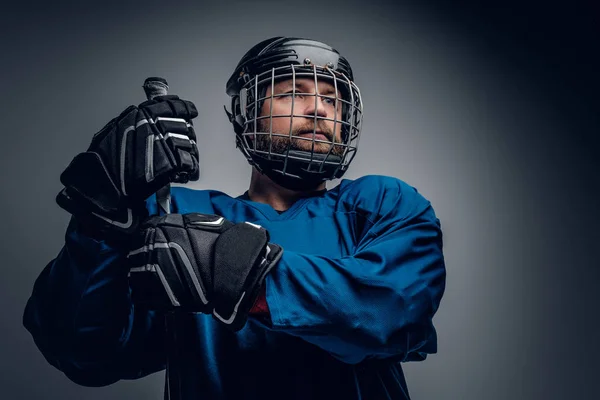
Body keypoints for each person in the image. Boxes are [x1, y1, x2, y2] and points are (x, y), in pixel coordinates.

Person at [23, 36, 446, 399]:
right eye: (294, 93)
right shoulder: (175, 211)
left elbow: (392, 310)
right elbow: (84, 351)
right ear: (250, 113)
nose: (319, 110)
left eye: (333, 99)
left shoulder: (383, 204)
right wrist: (102, 219)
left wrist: (232, 266)